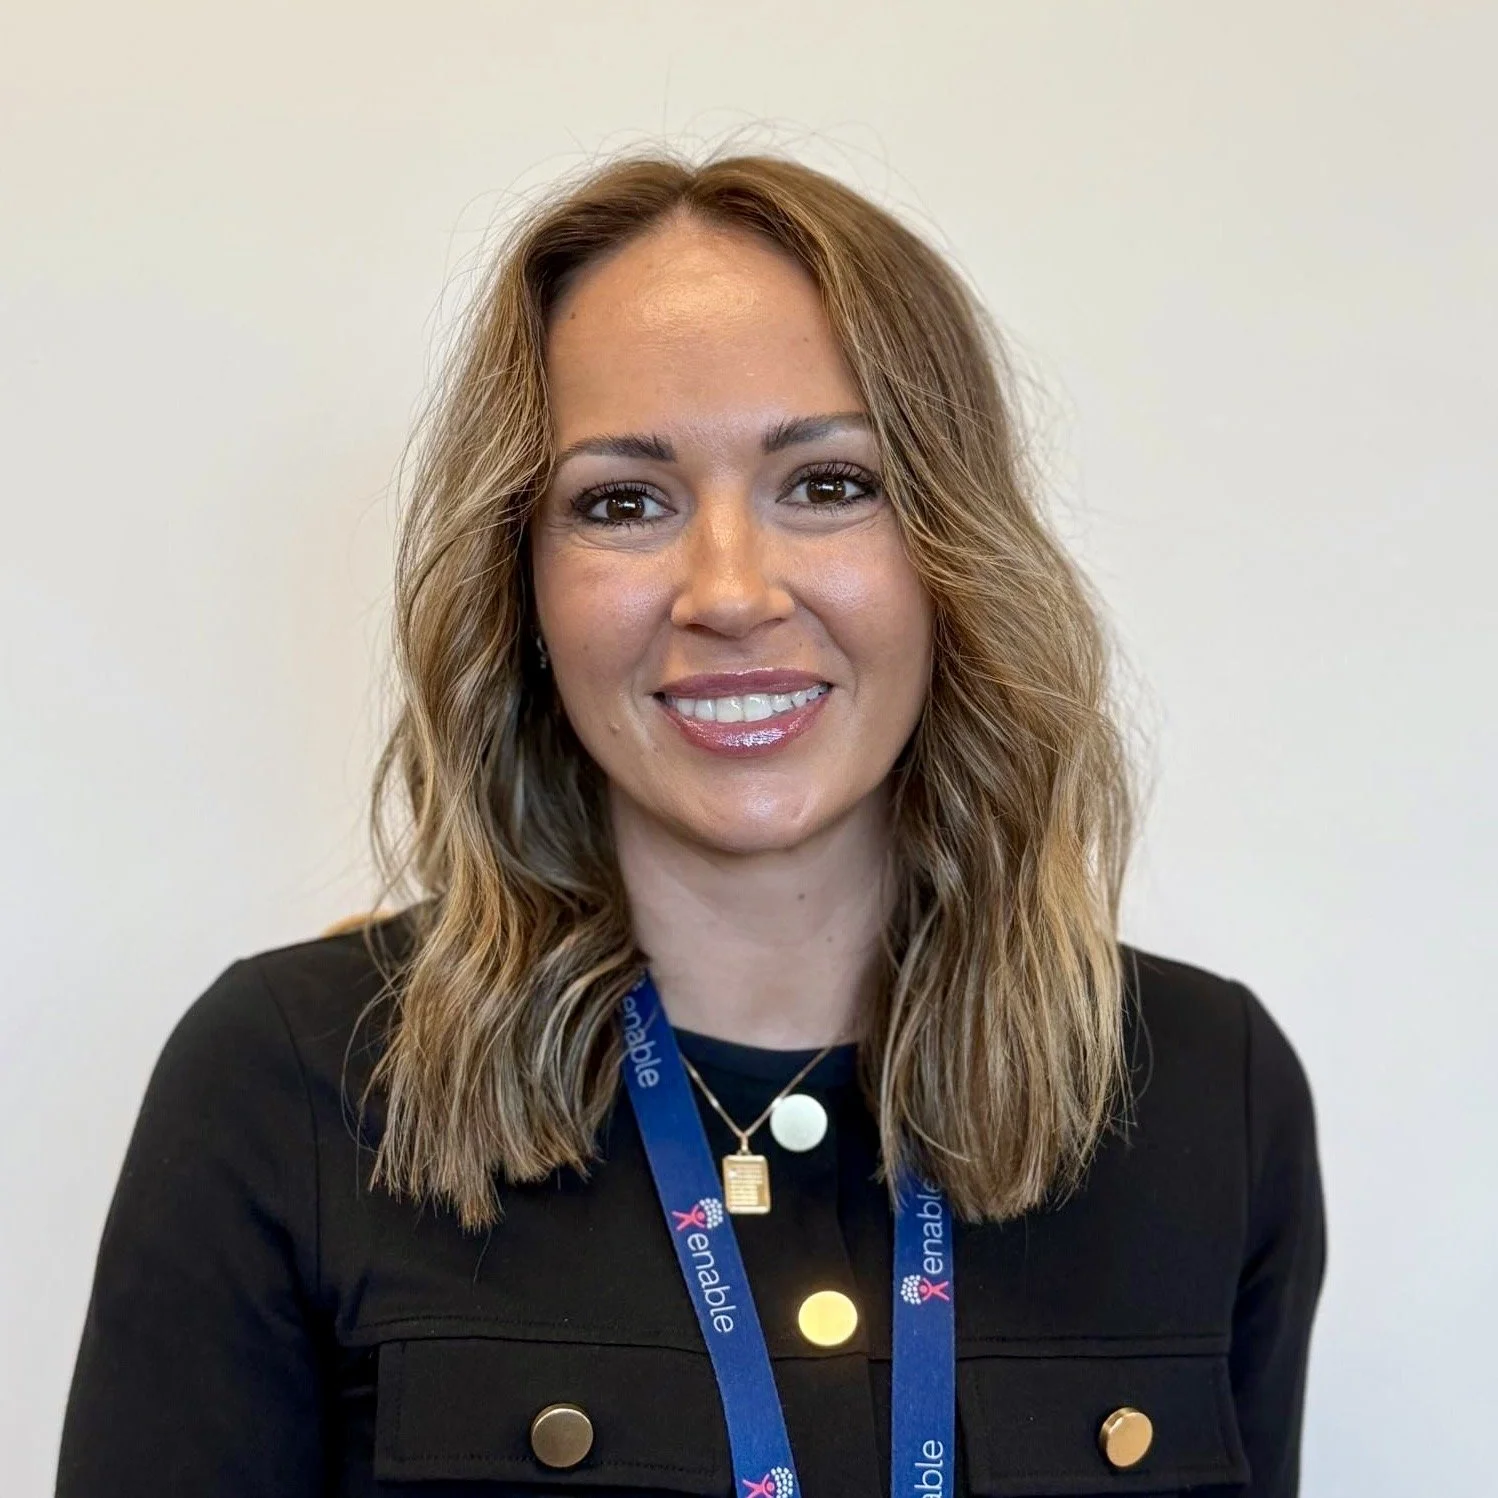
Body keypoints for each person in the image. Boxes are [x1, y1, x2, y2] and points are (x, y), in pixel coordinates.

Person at [56, 151, 1325, 1498]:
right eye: (622, 501)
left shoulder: (1201, 1096)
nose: (727, 589)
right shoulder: (299, 1085)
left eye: (827, 483)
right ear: (522, 587)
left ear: (950, 550)